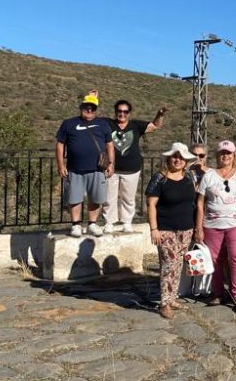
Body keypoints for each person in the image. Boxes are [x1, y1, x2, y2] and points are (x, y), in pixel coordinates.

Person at [195, 140, 236, 312]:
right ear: (217, 155)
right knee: (216, 260)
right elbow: (200, 203)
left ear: (234, 155)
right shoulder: (209, 176)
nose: (225, 156)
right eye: (222, 153)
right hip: (212, 224)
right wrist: (198, 228)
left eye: (228, 153)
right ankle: (217, 293)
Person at [145, 142, 197, 318]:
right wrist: (154, 229)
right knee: (168, 264)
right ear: (168, 158)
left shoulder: (189, 177)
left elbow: (194, 201)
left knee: (178, 264)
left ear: (186, 161)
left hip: (186, 228)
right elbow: (151, 204)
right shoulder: (159, 178)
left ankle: (172, 297)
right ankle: (164, 302)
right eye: (175, 156)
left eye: (181, 157)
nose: (177, 160)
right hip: (165, 229)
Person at [102, 100, 166, 234]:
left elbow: (154, 126)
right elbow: (91, 119)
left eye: (125, 111)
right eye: (119, 111)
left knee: (128, 197)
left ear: (129, 113)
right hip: (111, 168)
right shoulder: (108, 124)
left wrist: (160, 115)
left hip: (132, 168)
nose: (122, 114)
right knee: (109, 197)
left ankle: (127, 222)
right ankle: (109, 222)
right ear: (115, 112)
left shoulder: (135, 125)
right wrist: (93, 99)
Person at [56, 91, 115, 237]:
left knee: (96, 197)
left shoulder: (103, 124)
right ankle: (76, 225)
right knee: (74, 197)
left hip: (97, 168)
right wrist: (61, 165)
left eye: (93, 108)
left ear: (96, 110)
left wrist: (111, 164)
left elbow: (110, 145)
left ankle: (92, 224)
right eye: (87, 107)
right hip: (74, 169)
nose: (89, 110)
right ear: (81, 106)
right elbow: (60, 145)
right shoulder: (69, 123)